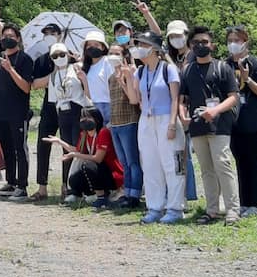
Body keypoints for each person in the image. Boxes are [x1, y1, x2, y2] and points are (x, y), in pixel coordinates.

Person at [180, 26, 240, 225]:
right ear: (190, 46)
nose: (200, 45)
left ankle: (232, 210)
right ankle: (212, 209)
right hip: (197, 127)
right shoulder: (187, 70)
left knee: (223, 165)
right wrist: (182, 115)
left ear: (212, 45)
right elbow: (183, 99)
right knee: (206, 170)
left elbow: (233, 97)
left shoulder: (223, 67)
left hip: (220, 125)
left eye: (204, 42)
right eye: (196, 42)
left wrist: (215, 111)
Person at [124, 32, 185, 225]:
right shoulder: (140, 72)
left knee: (172, 164)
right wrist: (126, 78)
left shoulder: (169, 69)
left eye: (142, 44)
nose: (139, 48)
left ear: (154, 47)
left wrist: (173, 123)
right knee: (150, 165)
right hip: (147, 119)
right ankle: (155, 206)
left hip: (167, 118)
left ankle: (175, 208)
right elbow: (135, 100)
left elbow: (176, 98)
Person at [34, 42, 87, 201]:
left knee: (78, 148)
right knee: (66, 150)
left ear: (68, 55)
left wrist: (80, 61)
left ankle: (78, 188)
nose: (59, 58)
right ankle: (67, 186)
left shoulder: (77, 68)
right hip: (62, 112)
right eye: (55, 56)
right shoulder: (53, 75)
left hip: (77, 109)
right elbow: (53, 99)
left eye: (62, 54)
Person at [226, 26, 257, 218]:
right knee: (240, 163)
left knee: (254, 162)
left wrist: (247, 79)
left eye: (237, 40)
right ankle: (244, 202)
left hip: (253, 121)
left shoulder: (254, 63)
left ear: (245, 42)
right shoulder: (225, 64)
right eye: (230, 40)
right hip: (234, 122)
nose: (233, 44)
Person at [45, 107, 123, 209]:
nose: (84, 120)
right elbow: (78, 150)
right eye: (82, 118)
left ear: (96, 119)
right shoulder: (84, 134)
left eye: (88, 117)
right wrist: (60, 142)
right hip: (97, 170)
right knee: (74, 179)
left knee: (88, 166)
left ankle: (102, 197)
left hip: (111, 173)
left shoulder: (103, 132)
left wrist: (74, 155)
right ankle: (83, 193)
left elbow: (98, 158)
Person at [0, 23, 35, 201]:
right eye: (4, 36)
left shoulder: (24, 59)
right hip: (1, 112)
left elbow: (26, 87)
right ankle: (11, 182)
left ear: (18, 38)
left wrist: (11, 70)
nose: (7, 38)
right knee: (6, 149)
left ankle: (22, 186)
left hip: (18, 112)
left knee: (19, 149)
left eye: (11, 35)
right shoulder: (0, 59)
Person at [28, 24, 62, 201]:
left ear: (60, 35)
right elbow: (34, 84)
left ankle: (66, 186)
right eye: (46, 34)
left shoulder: (69, 56)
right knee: (43, 144)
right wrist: (53, 75)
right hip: (49, 104)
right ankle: (42, 187)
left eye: (53, 33)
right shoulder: (42, 60)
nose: (49, 36)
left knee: (68, 145)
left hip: (68, 105)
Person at [107, 44, 143, 209]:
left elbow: (134, 99)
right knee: (124, 162)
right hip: (115, 123)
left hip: (129, 121)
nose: (113, 56)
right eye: (110, 53)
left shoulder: (131, 73)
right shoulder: (110, 78)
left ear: (123, 56)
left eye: (116, 53)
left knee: (133, 161)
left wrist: (125, 80)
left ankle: (135, 194)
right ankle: (127, 192)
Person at [82, 31, 114, 125]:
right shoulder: (87, 67)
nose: (92, 47)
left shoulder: (107, 61)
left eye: (96, 44)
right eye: (89, 45)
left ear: (102, 47)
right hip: (92, 106)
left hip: (107, 105)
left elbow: (113, 84)